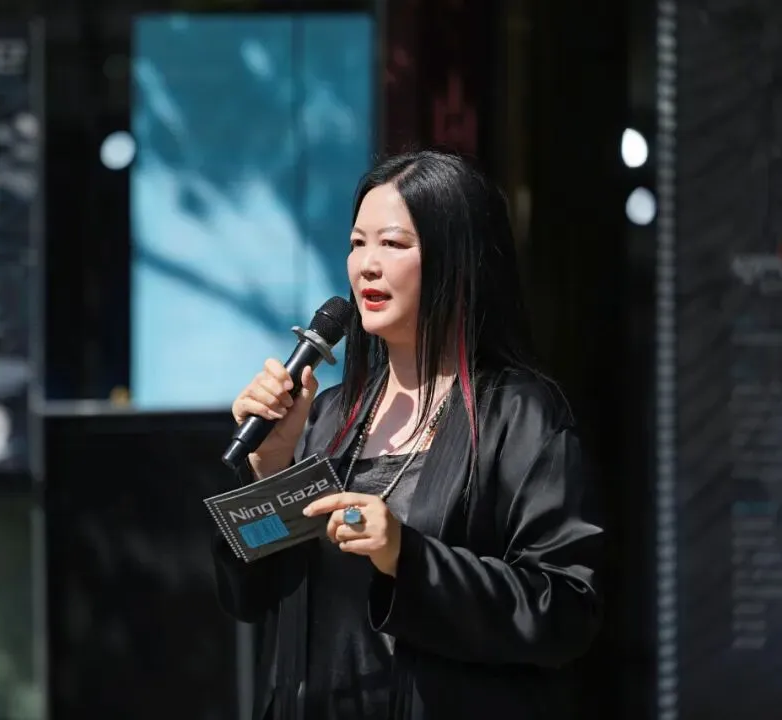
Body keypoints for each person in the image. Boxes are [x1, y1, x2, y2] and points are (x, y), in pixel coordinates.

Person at [212, 150, 603, 720]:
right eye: (357, 243)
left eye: (393, 244)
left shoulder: (519, 415)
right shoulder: (328, 417)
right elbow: (248, 596)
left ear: (456, 259)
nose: (367, 265)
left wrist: (407, 556)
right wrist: (269, 466)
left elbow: (564, 610)